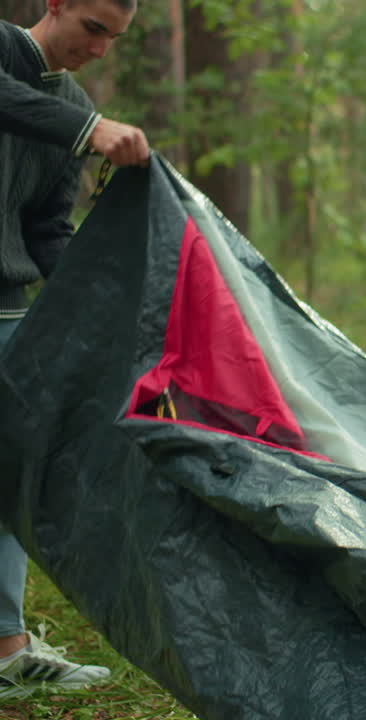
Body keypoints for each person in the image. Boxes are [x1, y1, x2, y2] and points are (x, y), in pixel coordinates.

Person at [0, 0, 149, 699]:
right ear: (55, 4)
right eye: (93, 28)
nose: (100, 48)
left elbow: (47, 230)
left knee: (9, 477)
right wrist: (90, 130)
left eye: (114, 39)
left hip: (8, 312)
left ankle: (8, 648)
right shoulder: (3, 53)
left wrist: (103, 297)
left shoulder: (75, 105)